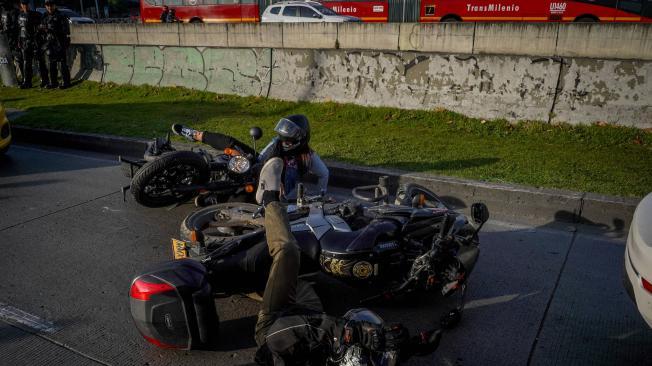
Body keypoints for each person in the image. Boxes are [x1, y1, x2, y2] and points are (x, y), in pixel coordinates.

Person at [250, 158, 442, 365]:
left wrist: (354, 334)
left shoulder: (273, 349)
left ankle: (269, 197)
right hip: (310, 312)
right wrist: (409, 346)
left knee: (288, 252)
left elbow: (295, 332)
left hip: (277, 326)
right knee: (316, 278)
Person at [172, 114, 329, 200]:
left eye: (288, 139)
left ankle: (212, 196)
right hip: (258, 171)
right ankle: (194, 134)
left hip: (269, 193)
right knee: (232, 143)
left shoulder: (308, 157)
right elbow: (260, 158)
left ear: (300, 138)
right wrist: (246, 159)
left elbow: (324, 174)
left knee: (241, 198)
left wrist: (318, 197)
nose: (284, 140)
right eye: (282, 136)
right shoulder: (277, 143)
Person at [16, 0, 48, 88]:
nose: (25, 6)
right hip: (24, 42)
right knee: (26, 63)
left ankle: (45, 80)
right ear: (21, 5)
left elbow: (43, 26)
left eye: (26, 4)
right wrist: (19, 41)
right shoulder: (20, 15)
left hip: (35, 42)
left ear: (28, 5)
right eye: (23, 4)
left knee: (40, 62)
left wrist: (40, 39)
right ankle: (27, 82)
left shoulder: (35, 15)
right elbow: (20, 30)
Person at [41, 0, 70, 89]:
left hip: (59, 42)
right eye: (47, 5)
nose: (49, 7)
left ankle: (66, 82)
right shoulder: (44, 16)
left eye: (51, 5)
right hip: (49, 42)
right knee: (51, 64)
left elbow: (66, 31)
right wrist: (43, 29)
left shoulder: (61, 16)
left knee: (62, 64)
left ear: (54, 5)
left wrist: (54, 29)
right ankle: (53, 82)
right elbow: (42, 28)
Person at [1, 0, 22, 80]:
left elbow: (15, 26)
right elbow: (2, 22)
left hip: (14, 39)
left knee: (18, 59)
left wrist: (7, 30)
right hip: (5, 40)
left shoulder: (14, 12)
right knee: (7, 60)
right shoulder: (2, 11)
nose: (3, 6)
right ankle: (11, 78)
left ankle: (22, 78)